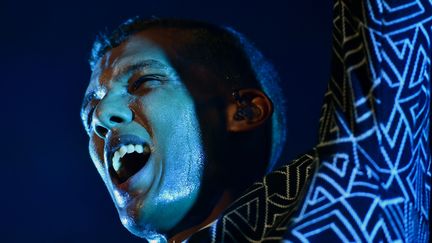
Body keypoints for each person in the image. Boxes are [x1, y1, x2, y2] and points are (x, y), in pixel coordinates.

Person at [81, 0, 431, 241]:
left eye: (144, 81)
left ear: (244, 112)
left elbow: (391, 36)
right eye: (89, 111)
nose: (99, 117)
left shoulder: (357, 190)